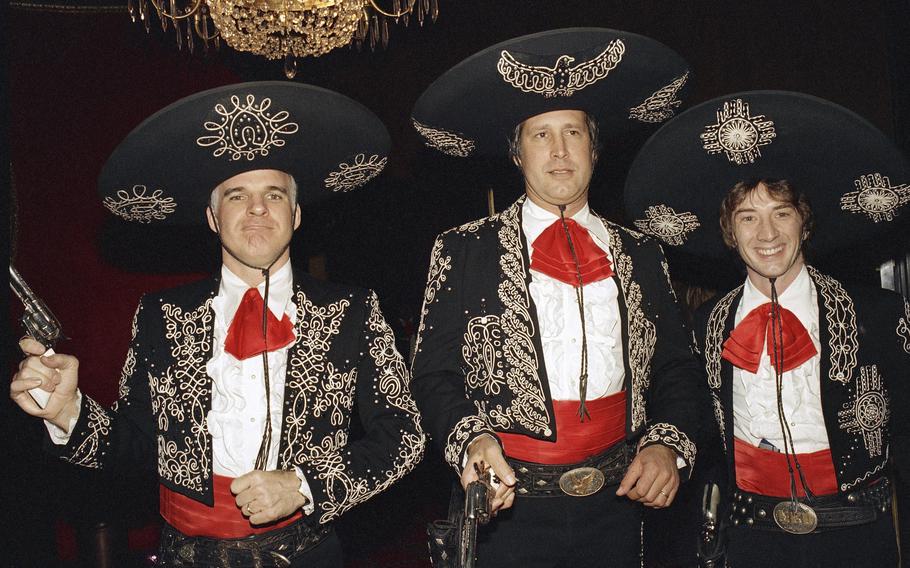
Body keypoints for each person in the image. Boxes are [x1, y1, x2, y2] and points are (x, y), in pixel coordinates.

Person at [11, 82, 425, 568]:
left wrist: (304, 485)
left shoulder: (355, 309)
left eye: (273, 194)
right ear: (212, 217)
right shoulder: (161, 314)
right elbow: (138, 445)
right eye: (236, 195)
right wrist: (68, 413)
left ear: (294, 215)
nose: (256, 209)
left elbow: (404, 433)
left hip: (309, 553)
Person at [409, 28, 702, 566]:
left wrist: (667, 443)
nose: (560, 151)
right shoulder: (462, 249)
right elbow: (431, 373)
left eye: (572, 132)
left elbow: (679, 367)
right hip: (506, 509)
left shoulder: (642, 253)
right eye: (541, 135)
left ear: (594, 147)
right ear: (516, 152)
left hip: (619, 505)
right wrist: (471, 440)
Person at [624, 90, 910, 567]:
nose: (768, 235)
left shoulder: (878, 313)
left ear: (804, 222)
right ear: (729, 232)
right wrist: (664, 450)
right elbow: (689, 413)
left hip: (858, 540)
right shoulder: (704, 325)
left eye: (782, 213)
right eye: (748, 218)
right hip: (752, 541)